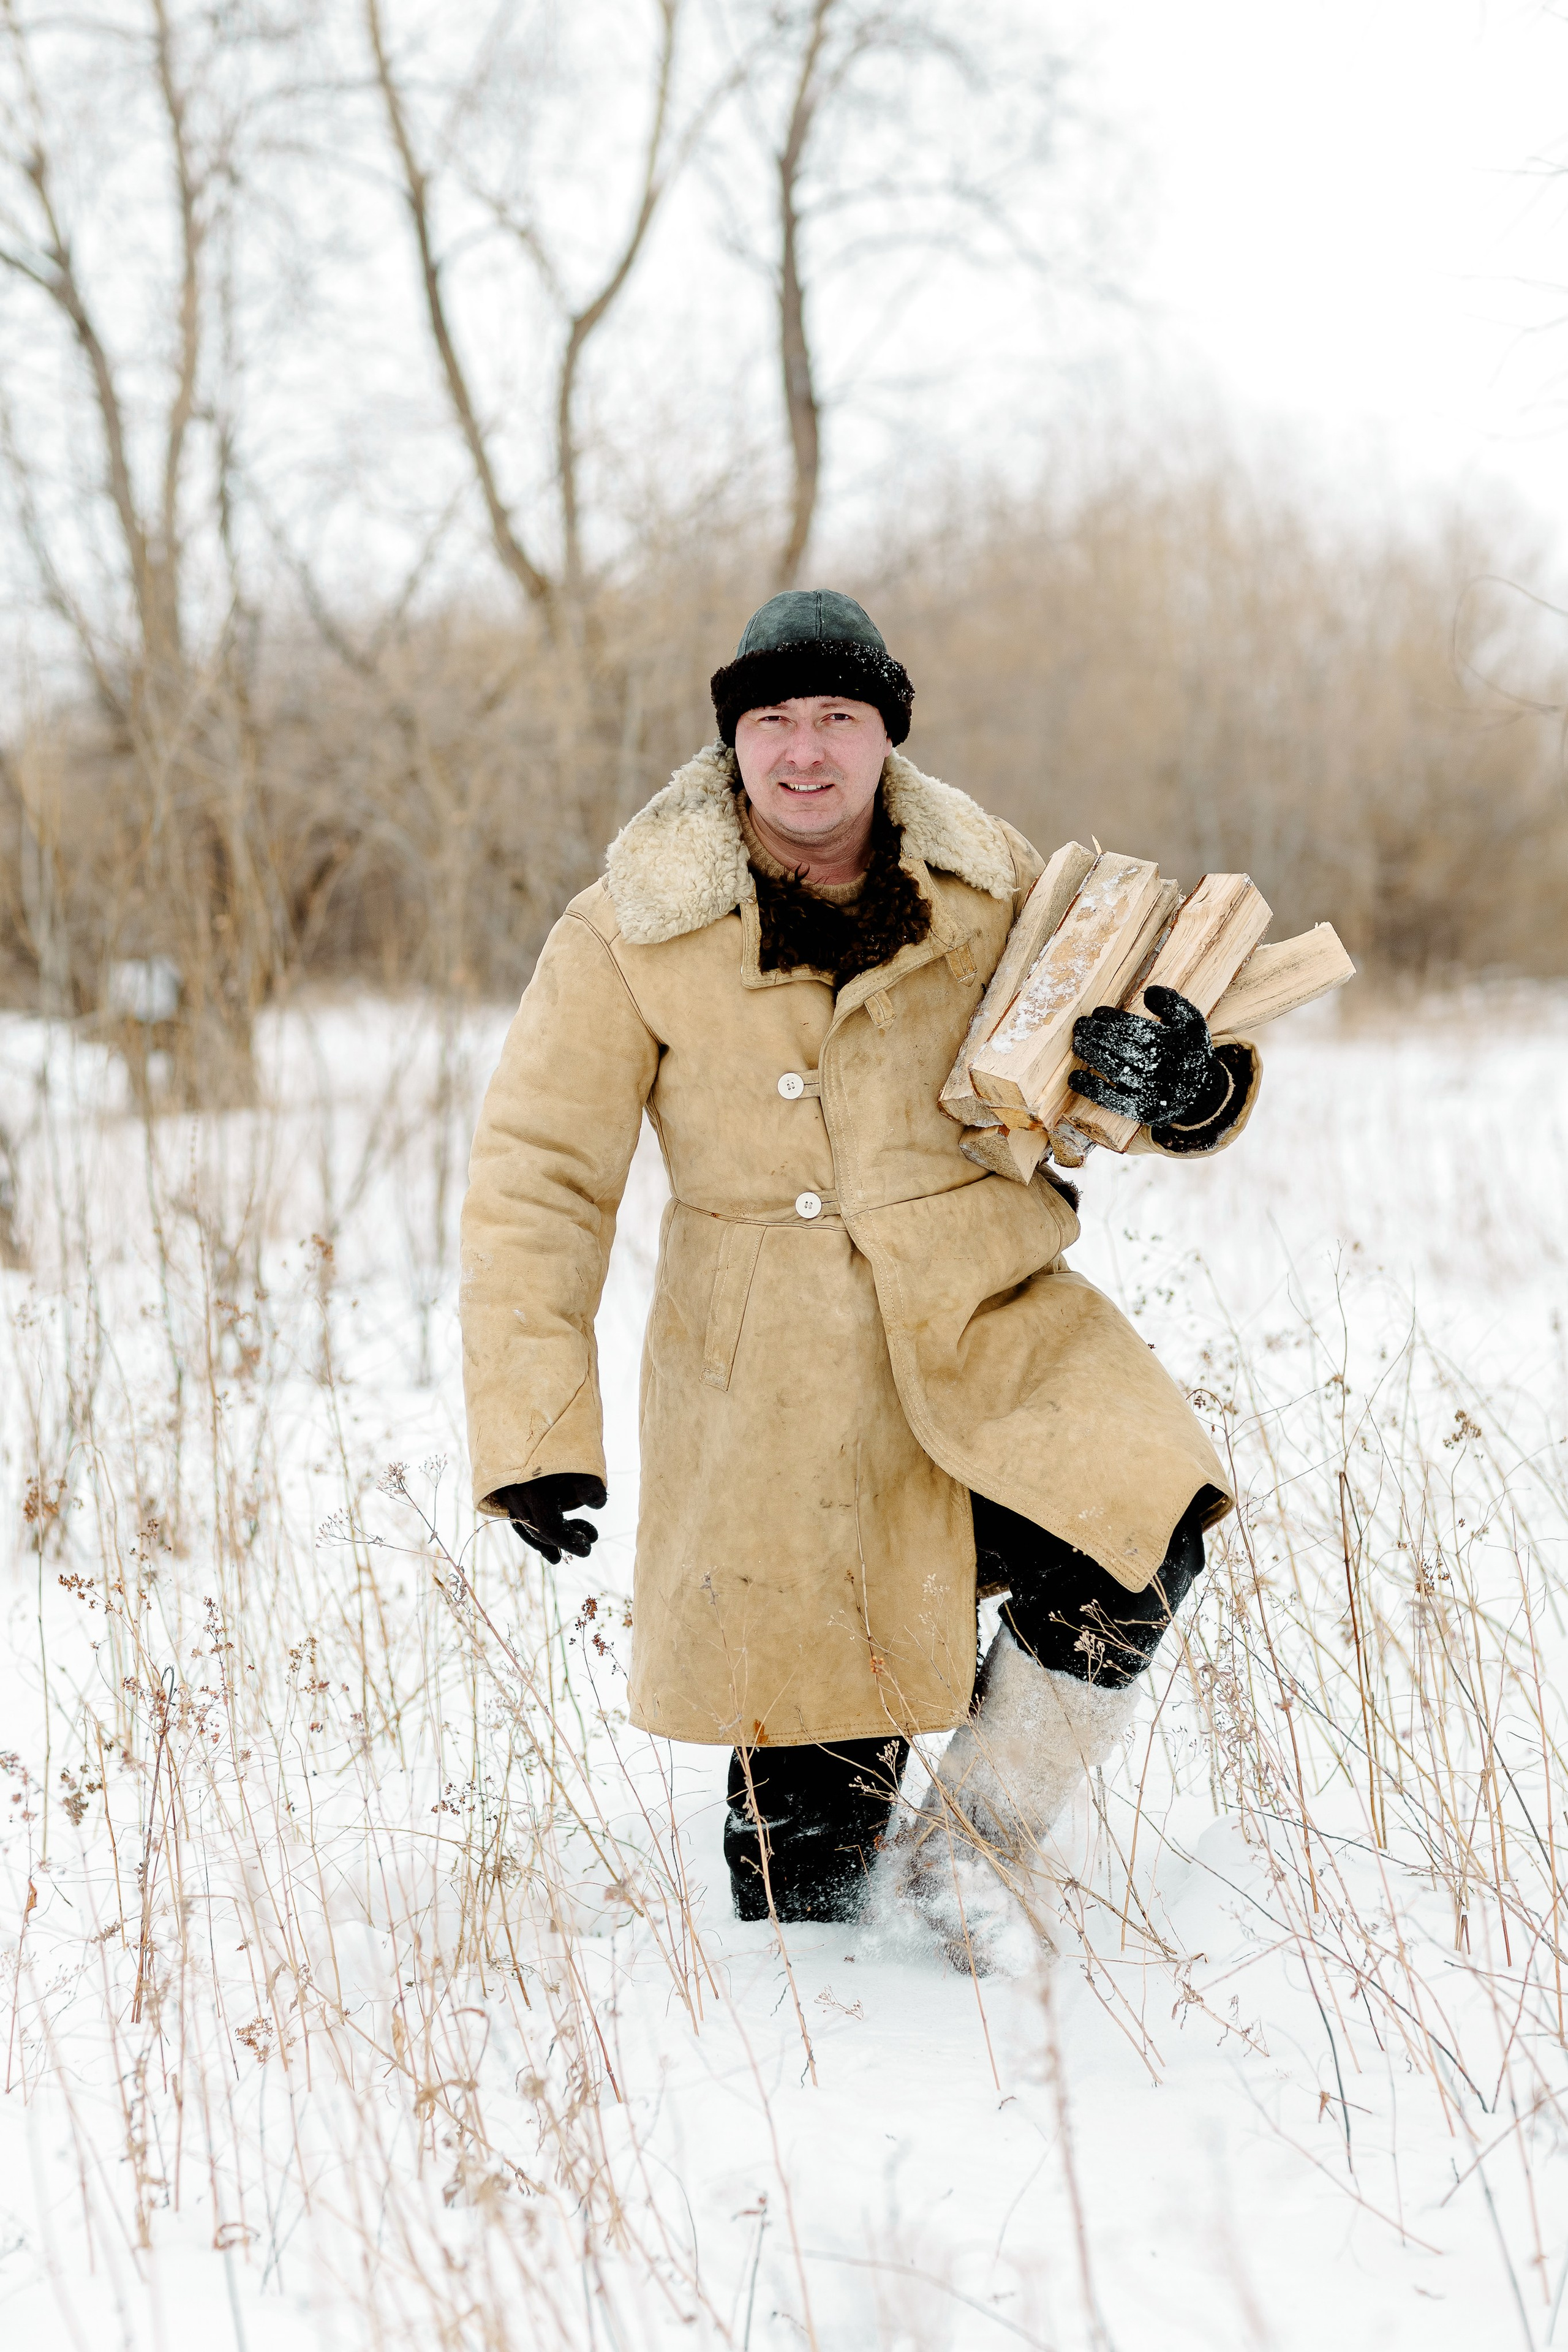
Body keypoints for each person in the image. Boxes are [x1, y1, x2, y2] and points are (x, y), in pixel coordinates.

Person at [459, 590, 1259, 1962]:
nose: (805, 751)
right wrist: (534, 1431)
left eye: (838, 716)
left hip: (986, 1325)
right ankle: (814, 2061)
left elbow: (1114, 1055)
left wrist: (1187, 1083)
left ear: (885, 734)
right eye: (772, 719)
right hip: (769, 1387)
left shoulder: (994, 881)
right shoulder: (627, 928)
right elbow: (537, 1179)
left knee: (1141, 1523)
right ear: (732, 743)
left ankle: (976, 1847)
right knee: (803, 1890)